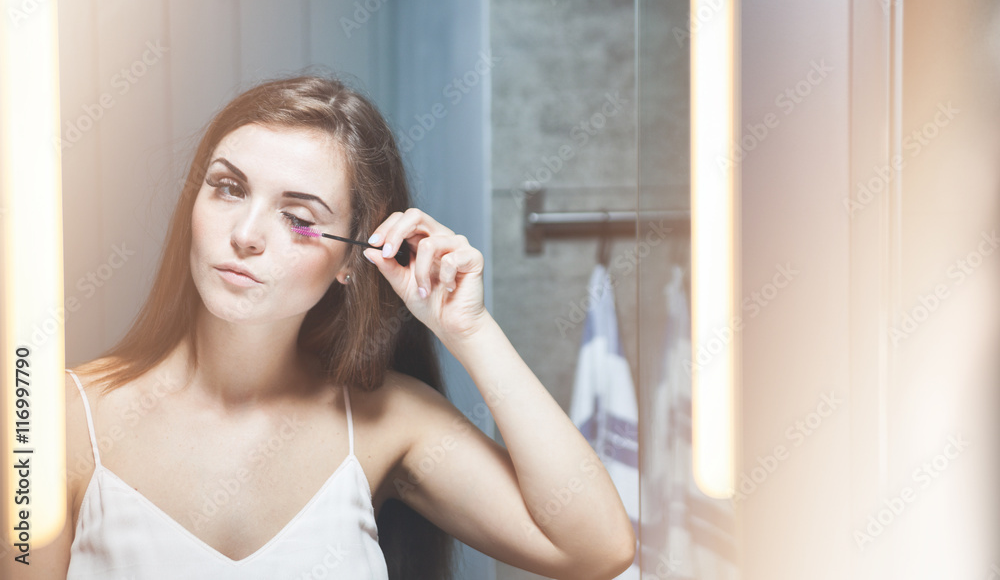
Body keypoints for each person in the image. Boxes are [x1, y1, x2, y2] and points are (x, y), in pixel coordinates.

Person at [20, 75, 635, 579]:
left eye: (298, 217)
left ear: (350, 259)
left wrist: (468, 329)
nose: (246, 234)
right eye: (228, 188)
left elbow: (597, 548)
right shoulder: (54, 419)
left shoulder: (384, 421)